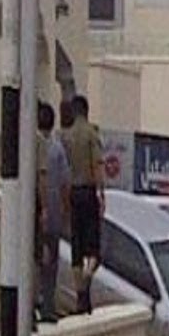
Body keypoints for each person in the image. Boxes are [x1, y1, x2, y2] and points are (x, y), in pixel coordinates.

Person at [62, 95, 104, 314]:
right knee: (93, 248)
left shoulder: (66, 137)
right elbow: (97, 164)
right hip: (88, 192)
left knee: (76, 245)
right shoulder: (91, 134)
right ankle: (86, 284)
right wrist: (101, 193)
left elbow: (64, 169)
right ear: (86, 111)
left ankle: (79, 292)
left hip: (72, 192)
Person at [38, 102, 70, 324]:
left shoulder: (29, 145)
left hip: (34, 213)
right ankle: (48, 306)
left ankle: (32, 305)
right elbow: (65, 183)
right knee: (50, 264)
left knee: (34, 260)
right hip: (53, 216)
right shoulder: (56, 149)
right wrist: (65, 210)